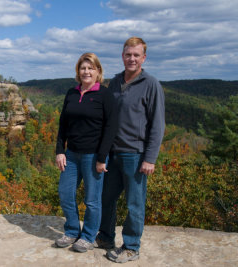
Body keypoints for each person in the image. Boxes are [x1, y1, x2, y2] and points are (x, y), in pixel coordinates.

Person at [95, 37, 165, 263]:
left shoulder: (151, 84)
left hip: (135, 155)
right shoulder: (114, 82)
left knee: (134, 203)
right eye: (128, 54)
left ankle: (131, 246)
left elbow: (157, 124)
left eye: (136, 55)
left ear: (143, 58)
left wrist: (150, 158)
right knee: (106, 198)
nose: (131, 58)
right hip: (112, 154)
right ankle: (106, 237)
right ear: (122, 56)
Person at [55, 52, 117, 253]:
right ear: (78, 71)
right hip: (71, 154)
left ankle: (89, 236)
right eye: (83, 68)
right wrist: (59, 151)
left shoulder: (105, 95)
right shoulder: (71, 93)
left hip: (93, 156)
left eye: (91, 68)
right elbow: (63, 124)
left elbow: (110, 128)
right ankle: (72, 230)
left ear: (98, 71)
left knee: (92, 199)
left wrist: (102, 158)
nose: (86, 71)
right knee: (65, 193)